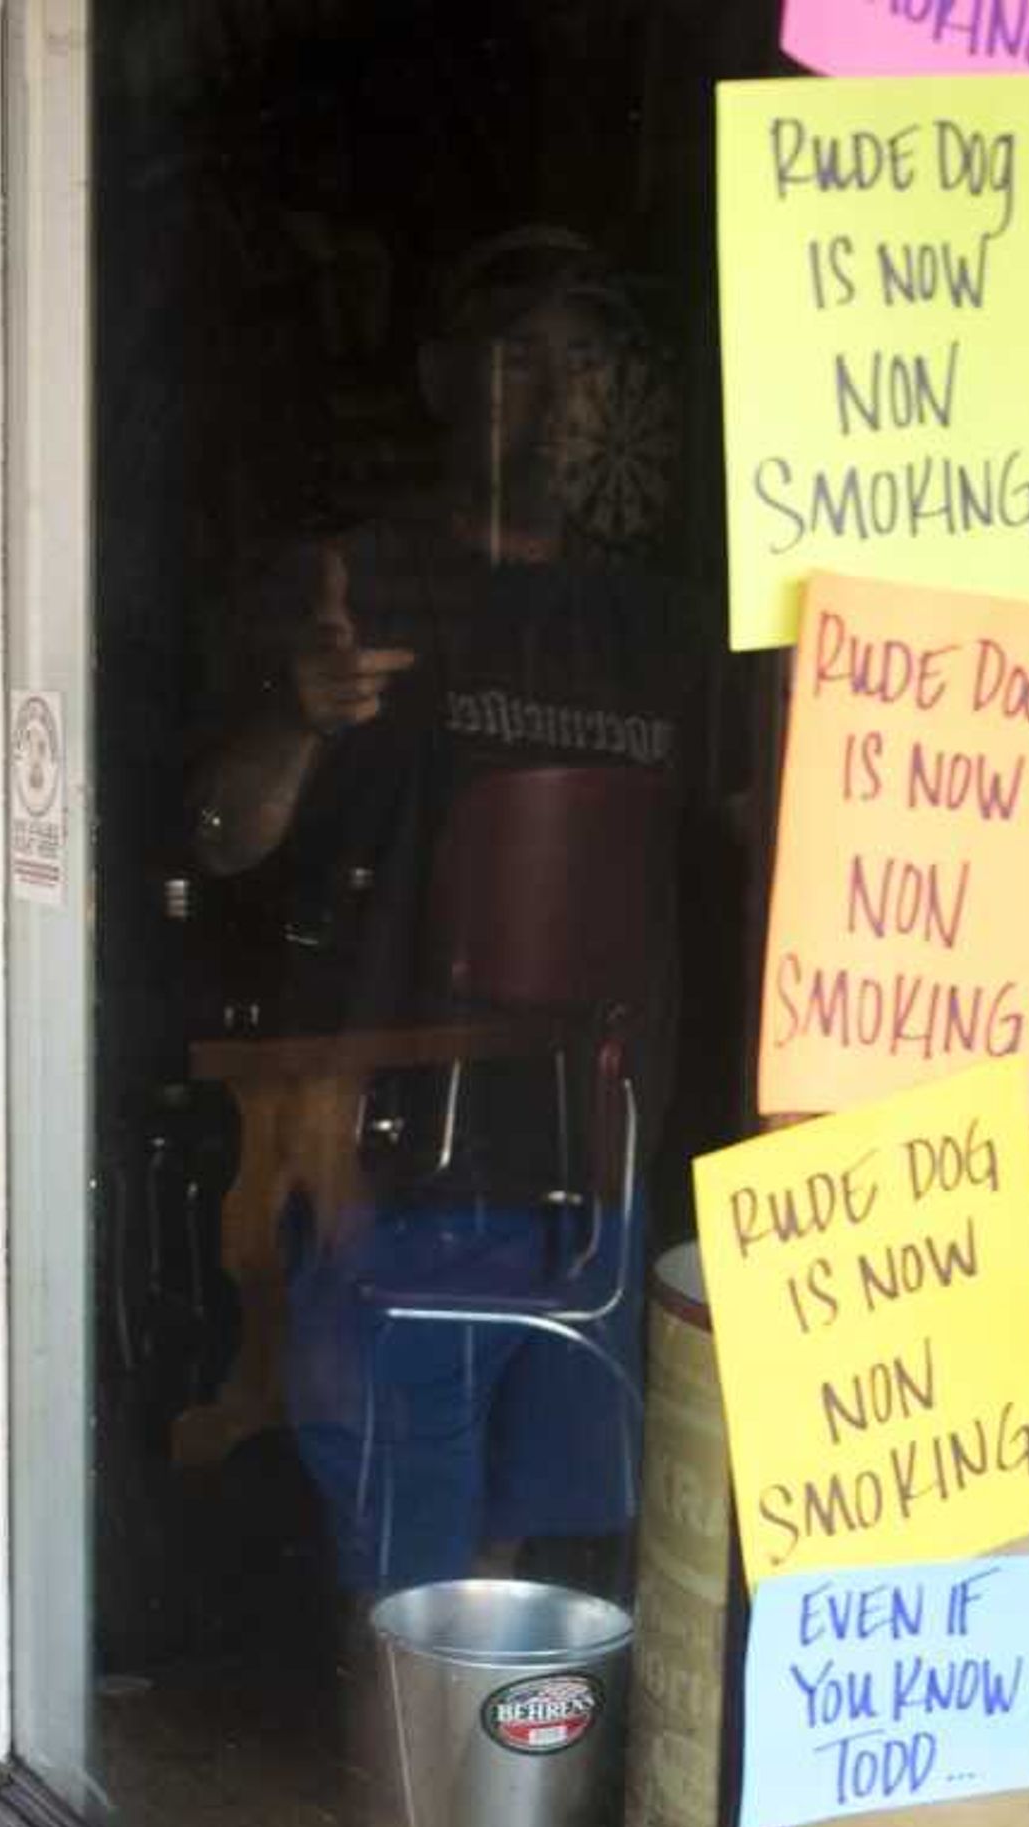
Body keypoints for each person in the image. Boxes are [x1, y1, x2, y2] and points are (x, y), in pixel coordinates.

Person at [188, 230, 699, 1594]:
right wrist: (297, 719)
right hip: (397, 1171)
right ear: (439, 377)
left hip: (593, 1169)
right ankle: (398, 1812)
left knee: (523, 1564)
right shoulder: (352, 583)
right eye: (518, 356)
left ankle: (458, 1795)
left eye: (583, 362)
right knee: (407, 1580)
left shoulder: (648, 621)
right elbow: (221, 838)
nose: (554, 394)